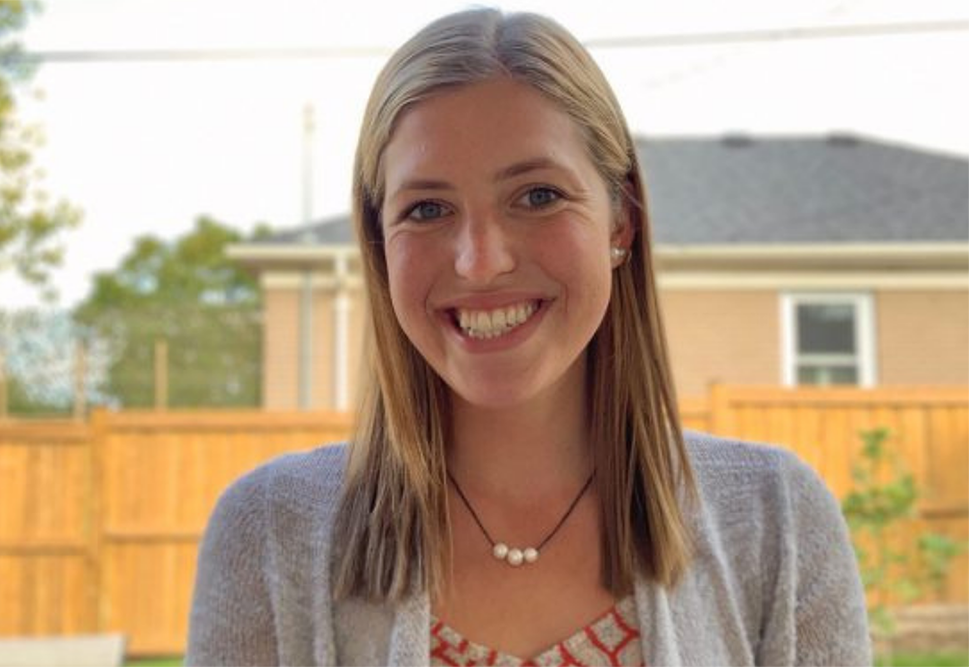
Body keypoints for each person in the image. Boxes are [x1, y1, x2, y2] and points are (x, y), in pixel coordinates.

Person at [186, 8, 871, 666]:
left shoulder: (777, 520)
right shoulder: (271, 533)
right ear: (378, 244)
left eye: (537, 195)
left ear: (620, 220)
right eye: (426, 209)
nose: (480, 260)